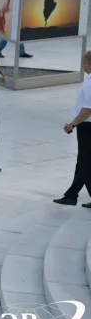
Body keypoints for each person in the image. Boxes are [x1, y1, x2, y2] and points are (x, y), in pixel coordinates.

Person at [55, 51, 91, 206]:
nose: (82, 65)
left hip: (87, 127)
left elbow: (88, 109)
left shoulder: (90, 83)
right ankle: (71, 195)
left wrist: (72, 124)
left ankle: (73, 195)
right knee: (82, 161)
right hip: (86, 126)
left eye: (83, 62)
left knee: (85, 163)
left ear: (88, 63)